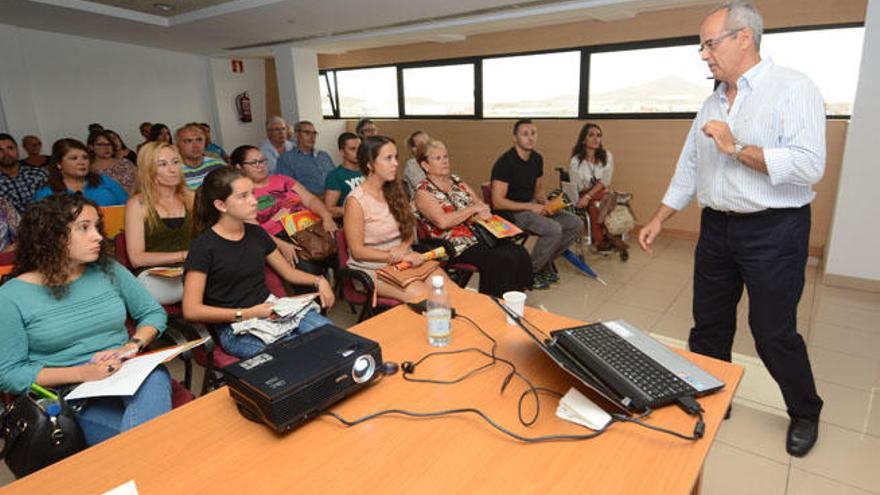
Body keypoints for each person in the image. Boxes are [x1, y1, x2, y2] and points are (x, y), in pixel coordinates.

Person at [637, 1, 825, 457]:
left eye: (709, 44)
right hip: (717, 229)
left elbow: (809, 166)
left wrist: (736, 145)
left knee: (772, 331)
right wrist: (660, 217)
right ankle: (713, 395)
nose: (703, 54)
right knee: (708, 326)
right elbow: (690, 166)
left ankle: (805, 410)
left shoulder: (793, 89)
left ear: (744, 37)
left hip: (775, 230)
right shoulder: (712, 100)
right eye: (702, 46)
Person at [0, 194, 171, 446]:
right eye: (84, 228)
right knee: (156, 440)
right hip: (71, 393)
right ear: (51, 236)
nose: (98, 236)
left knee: (155, 380)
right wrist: (83, 372)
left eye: (96, 227)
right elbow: (10, 374)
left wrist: (130, 346)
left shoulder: (109, 270)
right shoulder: (10, 297)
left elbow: (153, 313)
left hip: (126, 369)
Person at [182, 167, 335, 359]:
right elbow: (191, 310)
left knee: (331, 337)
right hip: (235, 325)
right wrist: (247, 313)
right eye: (243, 196)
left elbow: (288, 272)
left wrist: (319, 281)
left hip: (271, 309)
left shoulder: (256, 233)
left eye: (252, 194)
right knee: (295, 357)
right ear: (221, 205)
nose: (254, 201)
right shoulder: (203, 247)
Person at [413, 139, 532, 296]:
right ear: (425, 165)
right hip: (453, 244)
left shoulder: (457, 181)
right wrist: (472, 210)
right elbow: (442, 222)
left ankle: (513, 298)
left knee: (517, 252)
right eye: (438, 158)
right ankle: (492, 302)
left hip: (477, 234)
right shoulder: (423, 192)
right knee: (500, 260)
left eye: (445, 157)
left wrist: (483, 212)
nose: (444, 162)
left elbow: (479, 204)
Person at [343, 136, 445, 302]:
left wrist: (404, 248)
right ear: (370, 164)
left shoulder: (395, 190)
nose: (396, 163)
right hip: (373, 267)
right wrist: (397, 255)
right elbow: (357, 251)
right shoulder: (356, 201)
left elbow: (409, 231)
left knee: (448, 291)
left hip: (405, 259)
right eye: (388, 158)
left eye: (396, 157)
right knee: (429, 299)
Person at [490, 119, 582, 289]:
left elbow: (538, 190)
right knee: (553, 229)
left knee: (575, 223)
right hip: (511, 213)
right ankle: (529, 273)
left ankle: (542, 263)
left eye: (533, 133)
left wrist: (547, 204)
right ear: (514, 138)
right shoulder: (505, 163)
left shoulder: (537, 159)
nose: (530, 138)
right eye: (525, 134)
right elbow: (497, 202)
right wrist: (531, 206)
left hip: (531, 207)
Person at [230, 145, 337, 277]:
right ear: (239, 167)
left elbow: (309, 199)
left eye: (262, 160)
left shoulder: (282, 179)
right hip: (278, 237)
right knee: (308, 271)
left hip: (309, 226)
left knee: (339, 251)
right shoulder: (242, 193)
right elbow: (252, 228)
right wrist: (279, 244)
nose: (260, 165)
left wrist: (327, 216)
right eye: (253, 163)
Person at [123, 142, 194, 304]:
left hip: (193, 270)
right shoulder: (137, 204)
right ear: (148, 170)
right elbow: (137, 259)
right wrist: (183, 255)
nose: (173, 169)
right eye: (162, 164)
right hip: (155, 276)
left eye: (176, 162)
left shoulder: (192, 198)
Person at [35, 138, 128, 206]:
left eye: (85, 157)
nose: (82, 162)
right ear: (59, 164)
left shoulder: (103, 180)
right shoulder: (46, 193)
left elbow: (126, 204)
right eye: (74, 158)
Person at [569, 123, 616, 251]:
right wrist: (591, 193)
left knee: (598, 201)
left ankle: (599, 239)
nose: (596, 139)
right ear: (583, 139)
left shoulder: (607, 156)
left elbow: (606, 180)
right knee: (601, 200)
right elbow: (578, 186)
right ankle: (604, 238)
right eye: (591, 135)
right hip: (585, 195)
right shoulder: (576, 161)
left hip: (594, 195)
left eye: (599, 136)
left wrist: (590, 194)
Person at [276, 121, 335, 196]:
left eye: (314, 133)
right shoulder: (286, 159)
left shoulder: (324, 156)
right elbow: (287, 189)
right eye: (307, 133)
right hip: (307, 204)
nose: (312, 137)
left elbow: (336, 179)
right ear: (297, 135)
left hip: (333, 200)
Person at [0, 133, 48, 213]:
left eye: (10, 148)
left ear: (17, 150)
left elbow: (52, 205)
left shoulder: (37, 175)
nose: (6, 153)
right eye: (0, 150)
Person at [323, 132, 364, 219]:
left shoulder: (367, 170)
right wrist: (357, 210)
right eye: (352, 149)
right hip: (350, 222)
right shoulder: (335, 176)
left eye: (360, 148)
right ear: (342, 152)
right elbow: (329, 209)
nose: (358, 152)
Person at [175, 124, 226, 190]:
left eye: (199, 139)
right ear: (177, 146)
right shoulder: (173, 171)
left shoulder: (218, 166)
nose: (196, 145)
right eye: (189, 141)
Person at [402, 130, 429, 197]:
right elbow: (425, 188)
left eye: (429, 143)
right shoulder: (411, 166)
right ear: (413, 149)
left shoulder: (433, 162)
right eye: (422, 144)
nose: (427, 147)